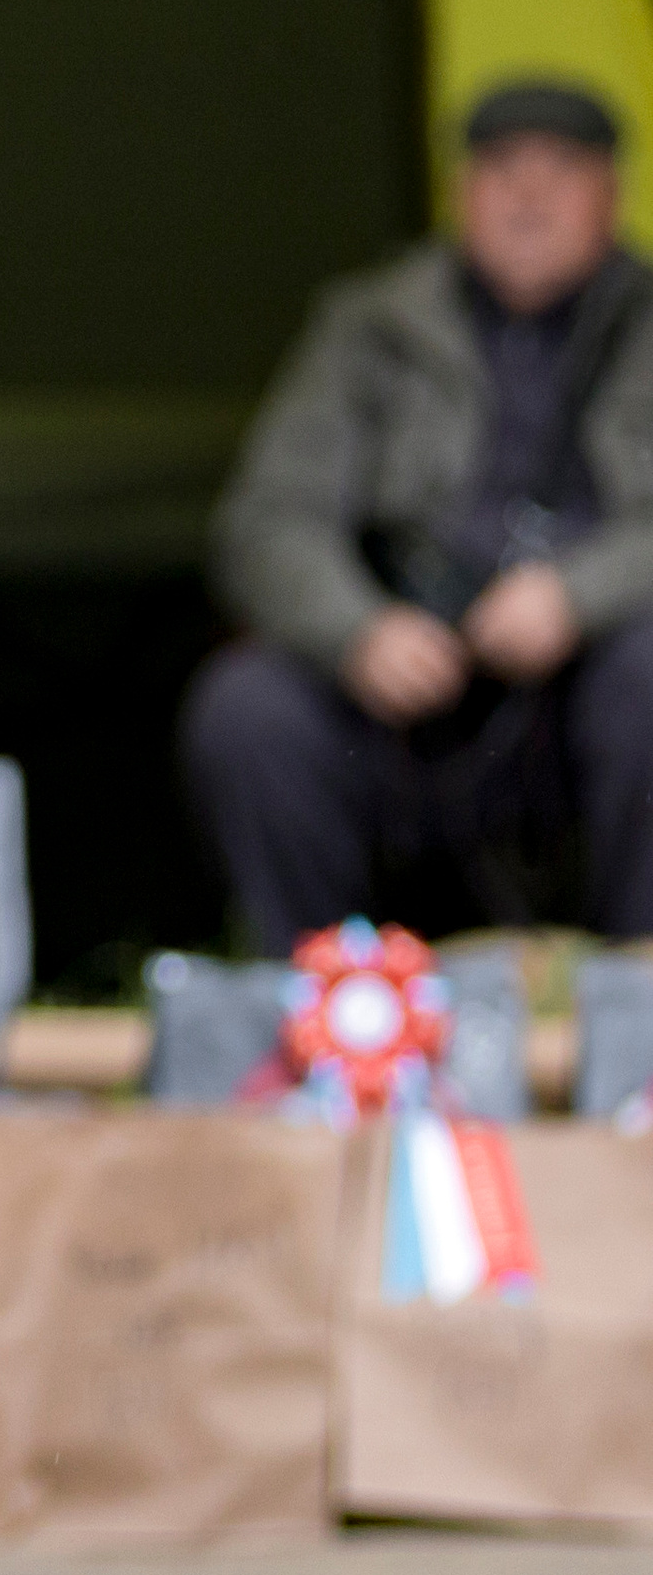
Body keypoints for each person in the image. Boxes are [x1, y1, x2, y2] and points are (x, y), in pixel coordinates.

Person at [184, 78, 653, 954]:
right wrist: (358, 631)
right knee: (247, 710)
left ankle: (642, 1001)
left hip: (586, 705)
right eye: (502, 168)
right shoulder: (369, 326)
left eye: (561, 169)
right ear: (458, 192)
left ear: (612, 194)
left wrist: (576, 597)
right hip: (404, 702)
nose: (529, 196)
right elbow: (265, 518)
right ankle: (322, 1005)